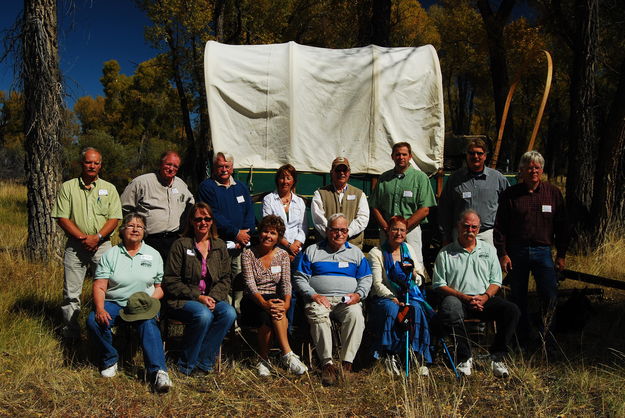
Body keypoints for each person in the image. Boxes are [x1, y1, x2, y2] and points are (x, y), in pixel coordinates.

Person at [86, 213, 172, 392]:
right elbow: (100, 286)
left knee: (148, 323)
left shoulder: (153, 254)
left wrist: (148, 301)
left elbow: (160, 287)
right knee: (94, 320)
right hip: (116, 303)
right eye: (131, 226)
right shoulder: (112, 254)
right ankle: (110, 358)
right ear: (122, 230)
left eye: (139, 226)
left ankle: (159, 372)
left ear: (144, 232)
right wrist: (100, 308)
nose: (135, 229)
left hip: (143, 304)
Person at [432, 209, 520, 377]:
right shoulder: (445, 253)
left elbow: (496, 281)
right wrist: (463, 297)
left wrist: (485, 297)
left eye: (474, 227)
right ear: (458, 226)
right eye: (466, 226)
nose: (469, 231)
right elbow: (439, 284)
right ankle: (465, 358)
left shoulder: (489, 251)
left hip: (484, 299)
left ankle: (497, 357)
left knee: (512, 310)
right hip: (459, 299)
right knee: (450, 308)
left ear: (479, 229)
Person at [494, 151, 568, 346]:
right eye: (529, 167)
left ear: (542, 170)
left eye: (536, 167)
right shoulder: (511, 194)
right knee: (518, 296)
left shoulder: (553, 193)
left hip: (543, 251)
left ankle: (547, 339)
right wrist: (503, 253)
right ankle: (521, 338)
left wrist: (561, 255)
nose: (533, 171)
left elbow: (562, 227)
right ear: (522, 170)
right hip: (516, 251)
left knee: (549, 296)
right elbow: (500, 227)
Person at [293, 213, 372, 386]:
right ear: (327, 231)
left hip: (347, 301)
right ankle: (327, 365)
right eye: (335, 230)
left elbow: (366, 278)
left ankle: (346, 364)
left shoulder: (356, 253)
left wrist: (358, 295)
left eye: (343, 230)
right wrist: (314, 295)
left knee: (356, 316)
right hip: (320, 299)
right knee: (318, 314)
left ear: (347, 232)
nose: (339, 234)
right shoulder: (313, 251)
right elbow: (299, 278)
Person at [52, 147, 122, 339]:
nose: (92, 166)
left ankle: (106, 331)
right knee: (71, 294)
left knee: (108, 291)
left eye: (96, 163)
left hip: (103, 246)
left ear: (100, 165)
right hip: (76, 247)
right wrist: (84, 238)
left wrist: (97, 237)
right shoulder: (68, 187)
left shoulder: (109, 188)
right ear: (81, 163)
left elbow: (114, 218)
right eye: (88, 162)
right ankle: (70, 334)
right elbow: (62, 217)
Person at [163, 202, 237, 375]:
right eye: (198, 219)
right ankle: (187, 364)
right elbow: (171, 280)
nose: (203, 223)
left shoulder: (219, 246)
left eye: (207, 218)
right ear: (191, 222)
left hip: (212, 298)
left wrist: (213, 297)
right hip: (184, 300)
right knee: (203, 315)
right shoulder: (181, 245)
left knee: (229, 313)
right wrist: (199, 297)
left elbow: (226, 278)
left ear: (212, 221)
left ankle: (204, 363)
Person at [241, 215, 308, 377]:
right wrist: (264, 303)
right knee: (268, 312)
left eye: (273, 233)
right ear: (260, 233)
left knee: (274, 310)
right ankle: (283, 355)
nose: (268, 236)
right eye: (265, 231)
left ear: (278, 237)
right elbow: (250, 285)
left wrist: (286, 304)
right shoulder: (248, 254)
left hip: (274, 299)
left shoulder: (283, 255)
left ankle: (269, 359)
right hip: (253, 299)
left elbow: (286, 283)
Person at [367, 216, 431, 376]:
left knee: (415, 308)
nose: (398, 233)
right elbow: (377, 283)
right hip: (385, 297)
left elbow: (420, 276)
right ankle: (390, 353)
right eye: (395, 229)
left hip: (409, 295)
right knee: (392, 309)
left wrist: (416, 276)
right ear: (388, 230)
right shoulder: (376, 253)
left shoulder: (408, 249)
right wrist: (392, 297)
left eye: (402, 230)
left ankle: (416, 354)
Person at [198, 152, 255, 312]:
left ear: (232, 167)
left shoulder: (241, 187)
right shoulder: (207, 187)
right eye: (220, 166)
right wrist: (236, 232)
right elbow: (213, 214)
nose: (224, 169)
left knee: (239, 279)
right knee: (220, 280)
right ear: (215, 167)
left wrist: (244, 236)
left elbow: (249, 213)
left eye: (227, 166)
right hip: (218, 244)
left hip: (240, 245)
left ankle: (237, 313)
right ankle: (223, 315)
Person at [120, 151, 194, 262]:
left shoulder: (181, 185)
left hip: (174, 240)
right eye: (168, 164)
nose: (171, 168)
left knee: (170, 275)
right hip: (148, 239)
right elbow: (124, 207)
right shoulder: (141, 182)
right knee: (147, 273)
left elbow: (191, 203)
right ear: (160, 164)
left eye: (175, 166)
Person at [370, 142, 437, 262]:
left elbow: (425, 209)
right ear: (392, 156)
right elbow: (375, 206)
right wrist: (386, 228)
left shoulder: (420, 178)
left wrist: (403, 228)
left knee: (414, 263)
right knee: (387, 262)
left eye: (404, 154)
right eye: (397, 154)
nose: (401, 157)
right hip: (387, 230)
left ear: (410, 156)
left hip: (411, 230)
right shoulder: (384, 178)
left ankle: (415, 281)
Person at [438, 138, 509, 246]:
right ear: (467, 155)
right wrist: (446, 236)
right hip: (461, 234)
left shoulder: (498, 179)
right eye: (472, 153)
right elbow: (445, 208)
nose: (475, 156)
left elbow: (508, 206)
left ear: (485, 156)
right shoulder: (455, 179)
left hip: (487, 234)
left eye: (479, 153)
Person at [311, 157, 369, 249]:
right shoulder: (320, 193)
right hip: (326, 247)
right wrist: (332, 236)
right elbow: (318, 219)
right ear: (331, 172)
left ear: (349, 172)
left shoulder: (359, 194)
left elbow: (363, 218)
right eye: (338, 170)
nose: (341, 173)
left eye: (344, 170)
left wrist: (346, 234)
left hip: (352, 246)